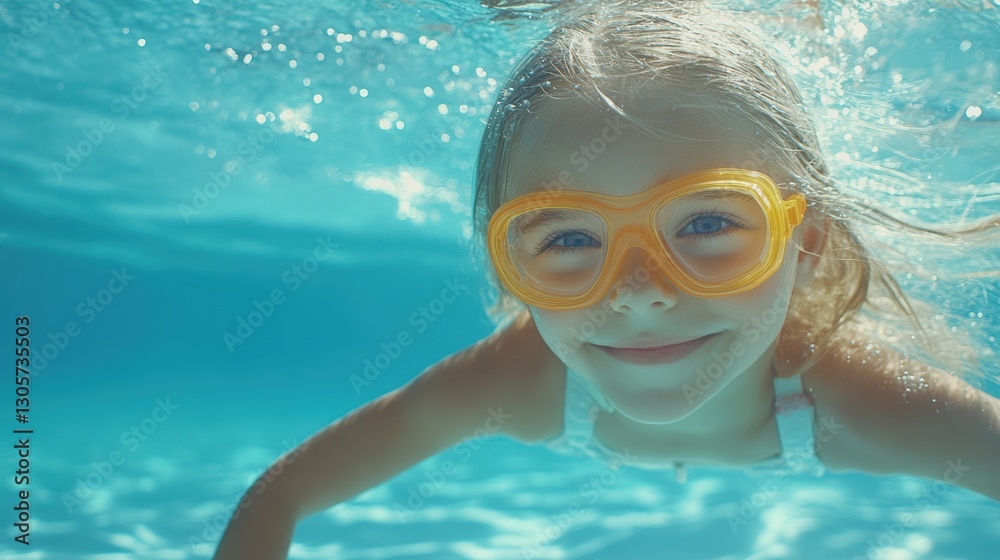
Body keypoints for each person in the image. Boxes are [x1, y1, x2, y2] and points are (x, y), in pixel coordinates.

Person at [213, 1, 1000, 558]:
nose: (637, 290)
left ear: (807, 243)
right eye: (570, 238)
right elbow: (277, 497)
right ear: (513, 268)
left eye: (706, 223)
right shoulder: (519, 377)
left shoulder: (854, 397)